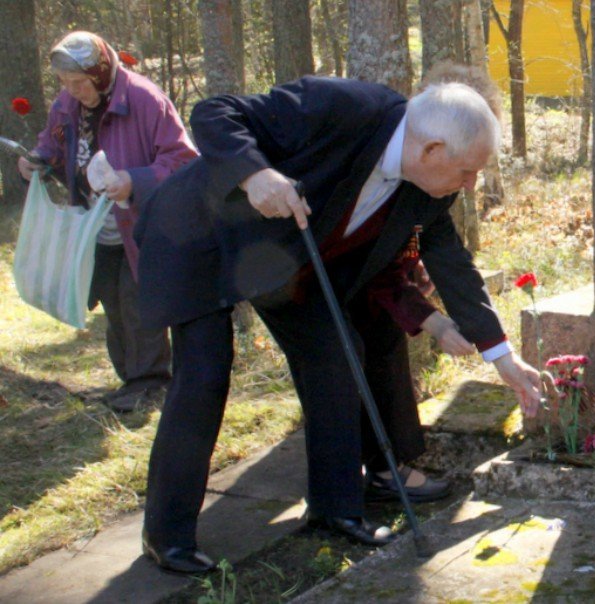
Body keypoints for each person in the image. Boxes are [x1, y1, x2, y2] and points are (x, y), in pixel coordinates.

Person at [134, 76, 542, 573]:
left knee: (337, 354)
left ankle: (335, 508)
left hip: (282, 260)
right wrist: (255, 174)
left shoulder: (429, 190)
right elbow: (215, 112)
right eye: (467, 170)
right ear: (432, 148)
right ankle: (166, 533)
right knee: (204, 374)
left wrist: (503, 357)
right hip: (200, 236)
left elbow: (452, 267)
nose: (472, 184)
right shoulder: (344, 107)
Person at [17, 31, 198, 412]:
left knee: (139, 301)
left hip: (141, 223)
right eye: (65, 83)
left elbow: (183, 159)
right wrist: (35, 159)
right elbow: (52, 143)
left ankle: (151, 381)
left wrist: (135, 179)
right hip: (93, 225)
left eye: (79, 82)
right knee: (114, 305)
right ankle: (130, 381)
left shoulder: (145, 100)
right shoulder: (67, 102)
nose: (72, 90)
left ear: (100, 73)